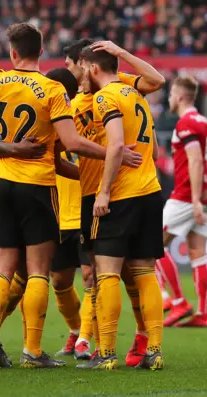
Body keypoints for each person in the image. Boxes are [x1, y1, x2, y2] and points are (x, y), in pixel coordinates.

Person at [0, 24, 114, 369]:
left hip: (1, 184)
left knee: (1, 269)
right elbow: (72, 144)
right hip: (37, 187)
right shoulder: (52, 90)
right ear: (41, 52)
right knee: (38, 272)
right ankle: (32, 351)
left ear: (12, 52)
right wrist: (112, 153)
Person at [63, 39, 165, 367]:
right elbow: (157, 80)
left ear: (93, 68)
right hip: (150, 190)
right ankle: (155, 351)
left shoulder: (106, 96)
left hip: (121, 194)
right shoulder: (132, 91)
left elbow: (117, 145)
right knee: (145, 272)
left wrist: (104, 192)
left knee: (106, 275)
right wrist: (122, 54)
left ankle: (105, 353)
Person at [158, 76, 207, 328]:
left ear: (180, 96)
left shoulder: (185, 123)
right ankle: (204, 314)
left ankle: (179, 301)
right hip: (205, 194)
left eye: (171, 94)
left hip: (185, 195)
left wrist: (193, 199)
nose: (169, 98)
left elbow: (195, 159)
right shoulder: (205, 122)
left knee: (152, 245)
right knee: (198, 254)